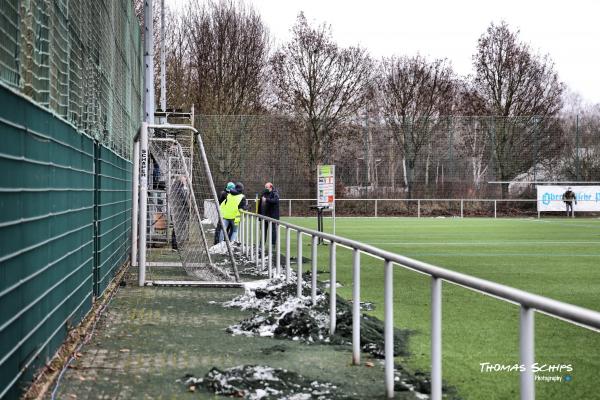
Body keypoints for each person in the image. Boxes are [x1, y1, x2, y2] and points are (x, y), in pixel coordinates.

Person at [258, 182, 280, 249]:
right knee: (263, 230)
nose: (265, 188)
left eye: (267, 187)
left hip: (273, 216)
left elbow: (275, 201)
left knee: (273, 231)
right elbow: (260, 205)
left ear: (271, 187)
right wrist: (260, 215)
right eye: (265, 187)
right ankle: (261, 244)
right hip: (264, 216)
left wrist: (266, 200)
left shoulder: (275, 193)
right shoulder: (263, 194)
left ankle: (273, 245)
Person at [170, 176, 190, 250]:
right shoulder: (179, 188)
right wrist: (185, 187)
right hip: (179, 211)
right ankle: (176, 246)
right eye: (185, 180)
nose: (186, 181)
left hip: (178, 210)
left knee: (177, 228)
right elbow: (185, 198)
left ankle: (176, 245)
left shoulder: (174, 187)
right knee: (178, 228)